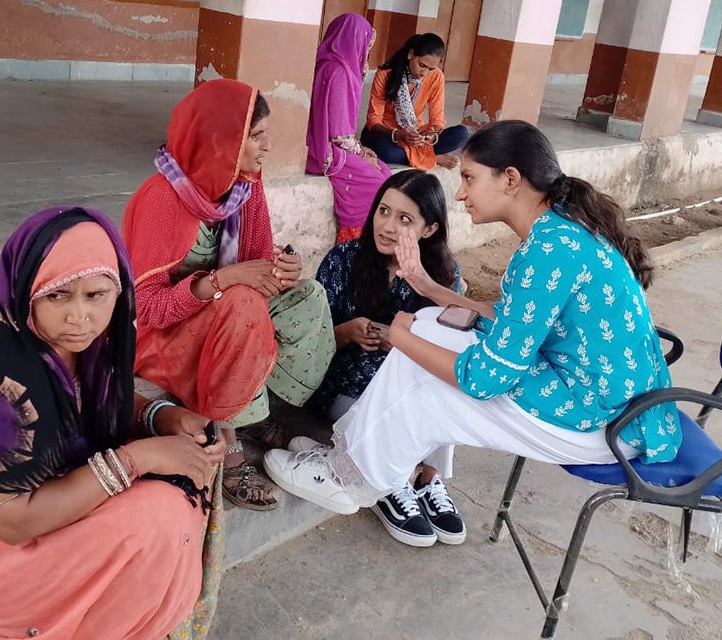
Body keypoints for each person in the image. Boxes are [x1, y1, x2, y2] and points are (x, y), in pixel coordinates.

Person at [265, 120, 682, 546]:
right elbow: (507, 321)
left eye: (469, 178)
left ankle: (353, 478)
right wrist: (426, 289)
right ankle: (350, 456)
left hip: (603, 422)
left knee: (429, 389)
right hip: (604, 400)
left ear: (511, 179)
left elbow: (484, 379)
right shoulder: (557, 232)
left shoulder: (547, 249)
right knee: (432, 324)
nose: (460, 193)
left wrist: (402, 336)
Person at [0, 206, 227, 640]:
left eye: (96, 295)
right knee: (158, 518)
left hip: (30, 501)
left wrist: (159, 415)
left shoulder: (71, 336)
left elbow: (85, 394)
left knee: (181, 486)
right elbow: (11, 523)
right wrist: (137, 457)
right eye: (58, 295)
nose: (79, 317)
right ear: (27, 287)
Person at [122, 79, 335, 511]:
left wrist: (282, 270)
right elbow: (148, 309)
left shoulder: (244, 187)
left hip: (224, 314)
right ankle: (229, 438)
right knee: (241, 303)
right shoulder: (161, 199)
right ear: (222, 140)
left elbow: (257, 262)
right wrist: (222, 282)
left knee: (308, 296)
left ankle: (252, 406)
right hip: (162, 334)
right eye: (256, 136)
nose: (267, 146)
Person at [303, 169, 469, 546]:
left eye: (405, 219)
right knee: (403, 394)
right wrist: (346, 332)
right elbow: (308, 343)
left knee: (442, 385)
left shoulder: (443, 274)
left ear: (429, 230)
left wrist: (401, 343)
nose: (388, 226)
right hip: (344, 382)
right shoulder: (343, 260)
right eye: (384, 211)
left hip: (405, 376)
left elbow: (451, 339)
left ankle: (428, 480)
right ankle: (389, 484)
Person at [306, 13, 392, 244]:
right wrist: (360, 152)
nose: (365, 52)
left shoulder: (328, 63)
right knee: (377, 183)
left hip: (327, 144)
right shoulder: (339, 72)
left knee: (384, 171)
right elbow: (339, 136)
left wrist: (361, 149)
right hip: (325, 151)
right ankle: (352, 245)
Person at [361, 33, 468, 171]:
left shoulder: (436, 77)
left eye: (431, 69)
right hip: (387, 134)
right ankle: (433, 157)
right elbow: (373, 120)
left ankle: (419, 153)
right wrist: (398, 134)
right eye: (422, 65)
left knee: (461, 134)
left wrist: (431, 135)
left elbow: (438, 119)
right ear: (411, 54)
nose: (424, 73)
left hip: (416, 135)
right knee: (386, 152)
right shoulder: (385, 74)